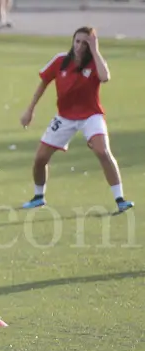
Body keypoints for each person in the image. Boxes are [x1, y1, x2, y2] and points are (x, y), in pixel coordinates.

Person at [20, 27, 134, 213]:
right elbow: (43, 83)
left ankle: (120, 199)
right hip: (64, 117)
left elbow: (105, 77)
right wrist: (29, 110)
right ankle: (38, 197)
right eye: (77, 41)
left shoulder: (95, 63)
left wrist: (95, 50)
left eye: (85, 42)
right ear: (73, 41)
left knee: (102, 151)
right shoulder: (60, 60)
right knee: (40, 158)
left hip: (91, 115)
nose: (80, 46)